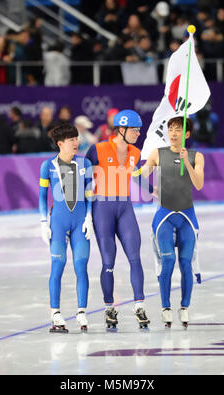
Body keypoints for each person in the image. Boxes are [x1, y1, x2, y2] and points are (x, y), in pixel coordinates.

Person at [85, 109, 150, 331]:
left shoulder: (135, 152)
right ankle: (109, 306)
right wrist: (79, 210)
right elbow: (83, 177)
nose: (137, 133)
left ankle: (139, 305)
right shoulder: (98, 149)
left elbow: (138, 176)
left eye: (139, 130)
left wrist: (155, 190)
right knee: (108, 262)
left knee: (135, 257)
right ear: (121, 129)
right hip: (102, 208)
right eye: (134, 130)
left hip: (125, 207)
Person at [139, 116, 204, 328]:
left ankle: (184, 307)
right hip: (164, 217)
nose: (173, 133)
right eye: (170, 129)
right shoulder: (158, 153)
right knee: (167, 262)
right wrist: (150, 188)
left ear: (187, 134)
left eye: (178, 130)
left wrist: (186, 161)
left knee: (185, 263)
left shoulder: (196, 156)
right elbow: (138, 176)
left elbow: (199, 184)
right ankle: (165, 307)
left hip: (187, 217)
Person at [39, 122, 94, 333]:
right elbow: (42, 197)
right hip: (58, 223)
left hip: (81, 221)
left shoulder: (85, 164)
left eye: (77, 138)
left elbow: (89, 195)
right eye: (71, 140)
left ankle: (81, 312)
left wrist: (89, 217)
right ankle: (55, 312)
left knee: (82, 267)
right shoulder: (48, 166)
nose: (76, 142)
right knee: (58, 267)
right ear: (60, 143)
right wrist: (44, 223)